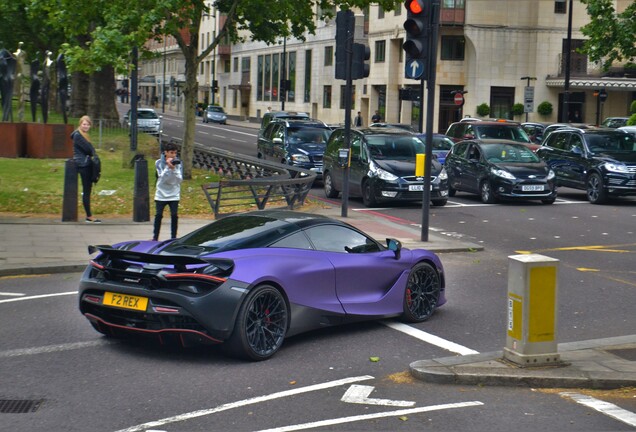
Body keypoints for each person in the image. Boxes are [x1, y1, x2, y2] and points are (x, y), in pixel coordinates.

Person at [72, 116, 100, 223]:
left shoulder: (84, 135)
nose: (86, 126)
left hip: (86, 163)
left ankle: (89, 214)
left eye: (88, 125)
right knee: (86, 190)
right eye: (84, 124)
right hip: (83, 164)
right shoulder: (78, 135)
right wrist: (93, 152)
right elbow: (89, 149)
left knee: (87, 189)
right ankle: (89, 215)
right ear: (80, 124)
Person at [153, 142, 183, 241]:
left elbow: (179, 180)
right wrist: (167, 167)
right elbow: (162, 178)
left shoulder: (178, 163)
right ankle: (155, 237)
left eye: (175, 153)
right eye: (171, 153)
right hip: (161, 193)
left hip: (174, 193)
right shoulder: (158, 163)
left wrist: (174, 169)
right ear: (165, 152)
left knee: (174, 215)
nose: (173, 155)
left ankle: (173, 237)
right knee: (158, 215)